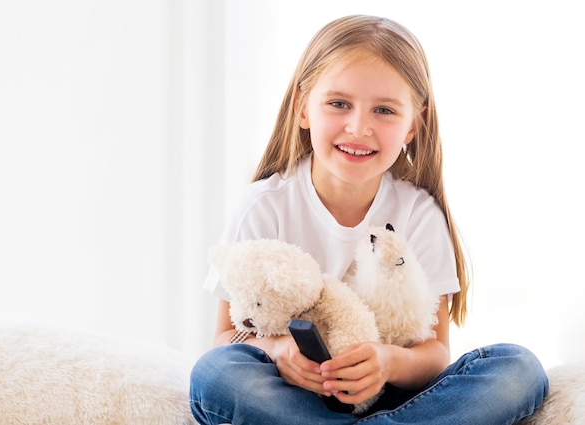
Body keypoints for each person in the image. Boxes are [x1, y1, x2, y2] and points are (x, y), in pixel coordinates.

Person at [189, 14, 548, 425]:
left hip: (398, 400)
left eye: (384, 110)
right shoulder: (263, 206)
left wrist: (387, 362)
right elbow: (223, 341)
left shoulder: (418, 214)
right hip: (294, 399)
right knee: (214, 374)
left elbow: (435, 354)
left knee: (518, 368)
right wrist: (279, 350)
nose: (359, 127)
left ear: (414, 125)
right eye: (339, 104)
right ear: (302, 108)